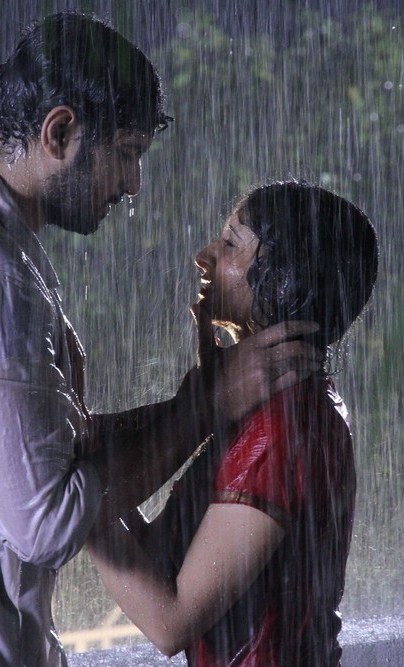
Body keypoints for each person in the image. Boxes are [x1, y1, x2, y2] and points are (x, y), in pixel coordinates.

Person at [0, 13, 321, 666]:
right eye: (126, 152)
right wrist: (208, 405)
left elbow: (45, 457)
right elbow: (46, 523)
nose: (133, 184)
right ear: (61, 132)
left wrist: (201, 399)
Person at [86, 181, 380, 666]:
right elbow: (155, 558)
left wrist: (66, 495)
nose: (203, 257)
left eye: (229, 243)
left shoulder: (284, 427)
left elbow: (170, 623)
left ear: (286, 278)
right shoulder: (269, 409)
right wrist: (199, 404)